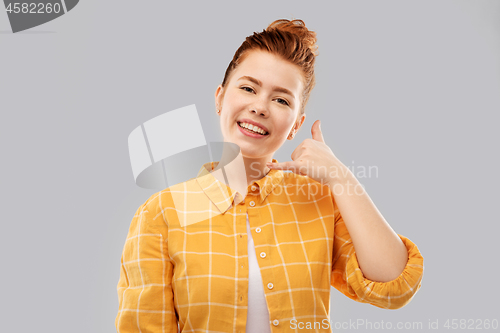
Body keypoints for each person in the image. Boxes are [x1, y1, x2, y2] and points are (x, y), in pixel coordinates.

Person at [115, 19, 424, 333]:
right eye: (248, 88)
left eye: (281, 100)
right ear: (220, 97)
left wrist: (339, 176)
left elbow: (395, 287)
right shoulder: (162, 213)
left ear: (295, 125)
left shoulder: (319, 200)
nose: (260, 107)